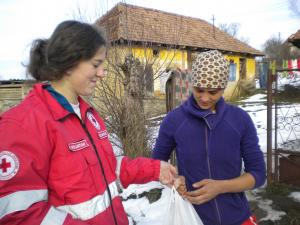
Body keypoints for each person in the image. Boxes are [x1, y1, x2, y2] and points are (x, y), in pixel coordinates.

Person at [0, 20, 177, 225]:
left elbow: (109, 168)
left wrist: (155, 169)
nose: (102, 73)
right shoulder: (23, 124)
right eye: (96, 64)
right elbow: (19, 216)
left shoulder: (89, 114)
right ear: (69, 62)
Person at [152, 50, 266, 225]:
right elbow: (156, 165)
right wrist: (173, 180)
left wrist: (220, 187)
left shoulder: (240, 120)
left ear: (223, 87)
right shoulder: (174, 120)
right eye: (199, 90)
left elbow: (258, 174)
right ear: (192, 83)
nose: (204, 98)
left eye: (213, 92)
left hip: (237, 217)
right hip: (191, 217)